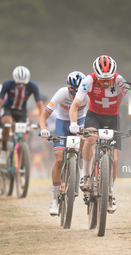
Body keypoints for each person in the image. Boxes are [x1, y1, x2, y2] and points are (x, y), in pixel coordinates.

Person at [69, 55, 131, 213]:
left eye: (109, 79)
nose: (106, 82)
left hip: (113, 118)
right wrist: (74, 124)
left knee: (115, 159)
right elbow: (75, 105)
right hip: (94, 116)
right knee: (90, 139)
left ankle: (109, 194)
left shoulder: (120, 80)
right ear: (96, 75)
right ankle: (86, 175)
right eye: (102, 79)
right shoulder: (88, 80)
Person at [40, 71, 88, 215]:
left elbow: (92, 115)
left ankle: (80, 171)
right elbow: (44, 115)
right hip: (62, 123)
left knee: (85, 141)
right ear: (67, 88)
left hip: (80, 121)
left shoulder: (88, 94)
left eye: (77, 92)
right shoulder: (61, 93)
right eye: (72, 92)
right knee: (59, 158)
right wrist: (43, 129)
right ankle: (54, 199)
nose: (74, 95)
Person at [0, 66, 44, 164]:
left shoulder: (32, 86)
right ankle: (4, 148)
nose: (20, 86)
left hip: (22, 111)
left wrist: (42, 121)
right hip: (8, 109)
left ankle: (21, 158)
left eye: (23, 84)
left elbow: (40, 105)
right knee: (7, 124)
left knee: (25, 136)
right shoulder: (7, 84)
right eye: (18, 83)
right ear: (14, 79)